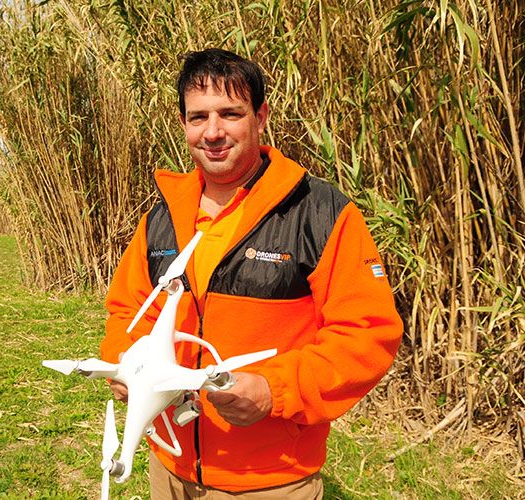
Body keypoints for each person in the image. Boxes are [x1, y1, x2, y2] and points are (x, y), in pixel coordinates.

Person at [100, 48, 403, 499]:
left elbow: (368, 334)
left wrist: (272, 390)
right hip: (169, 470)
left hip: (271, 481)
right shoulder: (161, 219)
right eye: (198, 117)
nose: (213, 132)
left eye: (230, 113)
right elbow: (129, 311)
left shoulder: (320, 215)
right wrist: (126, 363)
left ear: (260, 116)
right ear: (183, 124)